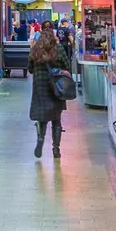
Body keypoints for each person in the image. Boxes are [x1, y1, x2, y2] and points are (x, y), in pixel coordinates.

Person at [28, 23, 72, 159]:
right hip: (57, 88)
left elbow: (29, 68)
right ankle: (56, 149)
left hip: (40, 87)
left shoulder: (35, 49)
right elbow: (67, 66)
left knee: (42, 117)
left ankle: (40, 139)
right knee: (56, 119)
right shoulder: (58, 48)